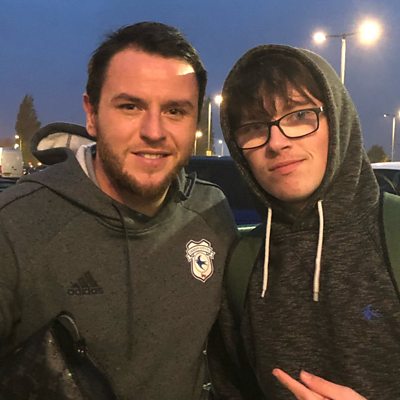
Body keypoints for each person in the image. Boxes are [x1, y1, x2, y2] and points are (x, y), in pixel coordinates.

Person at [0, 22, 237, 399]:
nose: (154, 131)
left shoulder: (212, 212)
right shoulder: (14, 225)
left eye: (175, 110)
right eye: (130, 106)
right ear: (91, 114)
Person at [208, 44, 400, 400]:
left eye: (299, 115)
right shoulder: (242, 263)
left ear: (338, 119)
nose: (277, 142)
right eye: (254, 126)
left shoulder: (394, 235)